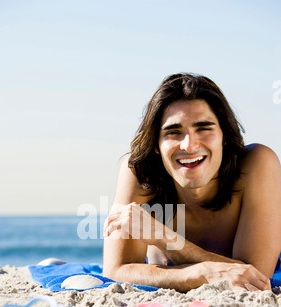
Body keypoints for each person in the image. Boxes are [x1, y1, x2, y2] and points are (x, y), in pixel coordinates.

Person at [103, 73, 281, 292]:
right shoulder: (142, 173)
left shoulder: (255, 164)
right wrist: (204, 272)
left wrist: (163, 237)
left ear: (224, 135)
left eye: (204, 128)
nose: (188, 145)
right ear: (156, 144)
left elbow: (257, 279)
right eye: (173, 132)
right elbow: (116, 270)